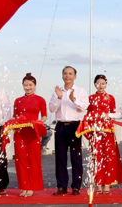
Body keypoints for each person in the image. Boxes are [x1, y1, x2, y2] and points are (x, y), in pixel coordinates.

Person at [48, 66, 89, 195]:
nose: (68, 76)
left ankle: (76, 186)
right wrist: (59, 98)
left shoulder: (81, 91)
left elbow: (84, 107)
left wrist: (73, 99)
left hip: (75, 126)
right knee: (60, 157)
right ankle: (62, 186)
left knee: (76, 157)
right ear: (62, 76)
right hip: (60, 126)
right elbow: (51, 109)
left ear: (75, 76)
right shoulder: (57, 91)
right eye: (65, 73)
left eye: (70, 74)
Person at [80, 75, 122, 194]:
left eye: (103, 83)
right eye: (98, 83)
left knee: (108, 156)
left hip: (107, 131)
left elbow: (113, 113)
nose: (101, 86)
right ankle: (98, 183)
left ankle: (107, 183)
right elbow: (88, 114)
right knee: (96, 155)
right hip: (95, 131)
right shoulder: (90, 98)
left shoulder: (110, 98)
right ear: (95, 84)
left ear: (106, 84)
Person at [11, 73, 47, 197]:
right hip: (20, 133)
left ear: (35, 85)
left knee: (33, 159)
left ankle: (31, 186)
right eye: (25, 85)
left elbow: (44, 116)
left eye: (30, 85)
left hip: (33, 132)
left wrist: (39, 123)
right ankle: (23, 186)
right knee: (20, 159)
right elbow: (14, 116)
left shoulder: (40, 100)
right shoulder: (18, 100)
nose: (28, 87)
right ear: (22, 85)